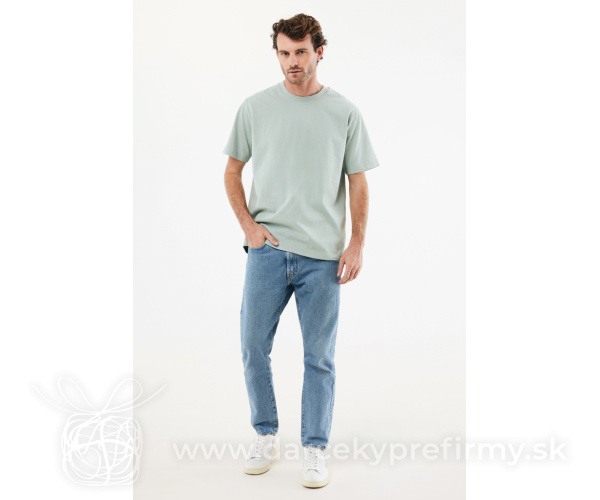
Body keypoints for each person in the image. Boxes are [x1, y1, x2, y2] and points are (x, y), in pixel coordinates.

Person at [222, 13, 379, 489]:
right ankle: (265, 434)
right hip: (267, 253)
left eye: (302, 52)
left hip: (322, 258)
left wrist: (356, 243)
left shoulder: (344, 112)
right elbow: (232, 171)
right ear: (277, 54)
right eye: (285, 53)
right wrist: (249, 227)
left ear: (319, 52)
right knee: (253, 348)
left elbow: (358, 182)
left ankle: (314, 447)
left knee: (319, 357)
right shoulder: (255, 108)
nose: (293, 61)